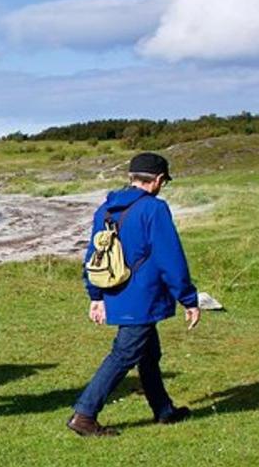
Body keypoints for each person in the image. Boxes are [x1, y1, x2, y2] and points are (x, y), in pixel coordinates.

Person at [68, 152, 199, 436]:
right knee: (125, 354)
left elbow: (93, 255)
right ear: (159, 180)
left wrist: (96, 295)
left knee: (149, 354)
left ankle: (164, 409)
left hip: (116, 291)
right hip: (143, 297)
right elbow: (171, 258)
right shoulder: (155, 209)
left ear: (132, 177)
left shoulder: (105, 209)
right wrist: (189, 298)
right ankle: (84, 414)